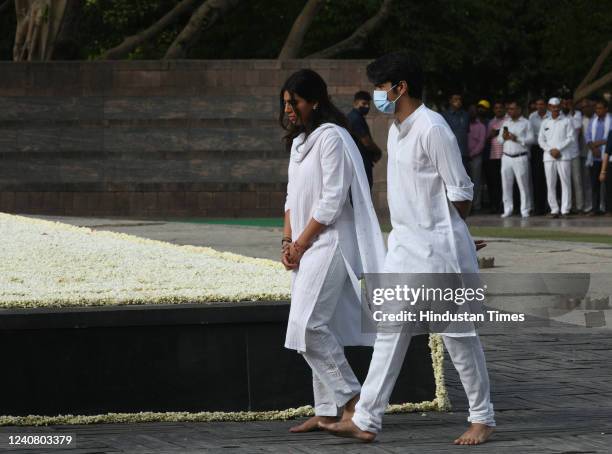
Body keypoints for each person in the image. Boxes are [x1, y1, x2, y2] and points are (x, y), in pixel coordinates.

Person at [319, 51, 495, 446]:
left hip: (437, 254)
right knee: (390, 330)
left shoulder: (432, 128)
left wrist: (451, 232)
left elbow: (461, 192)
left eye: (382, 87)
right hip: (403, 248)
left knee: (458, 336)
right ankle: (366, 418)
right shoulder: (397, 129)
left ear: (400, 88)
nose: (378, 94)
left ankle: (482, 418)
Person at [279, 69, 386, 433]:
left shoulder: (332, 138)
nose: (289, 110)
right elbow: (292, 197)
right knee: (319, 325)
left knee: (307, 326)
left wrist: (301, 242)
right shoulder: (299, 143)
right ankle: (326, 410)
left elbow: (332, 199)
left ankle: (354, 401)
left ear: (315, 101)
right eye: (286, 104)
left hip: (331, 242)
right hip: (304, 244)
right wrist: (287, 241)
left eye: (294, 103)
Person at [539, 98, 575, 218]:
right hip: (548, 157)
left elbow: (571, 138)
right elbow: (541, 140)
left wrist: (558, 149)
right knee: (550, 183)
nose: (555, 108)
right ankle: (554, 209)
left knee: (565, 183)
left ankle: (565, 210)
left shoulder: (567, 121)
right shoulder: (545, 122)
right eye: (553, 106)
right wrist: (550, 150)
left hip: (563, 156)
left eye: (557, 106)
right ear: (549, 107)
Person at [498, 101, 534, 218]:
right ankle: (507, 209)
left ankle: (525, 209)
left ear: (519, 110)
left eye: (512, 109)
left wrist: (517, 138)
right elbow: (499, 140)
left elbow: (532, 139)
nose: (510, 111)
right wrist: (503, 137)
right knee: (506, 185)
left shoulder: (526, 123)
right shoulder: (505, 123)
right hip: (506, 157)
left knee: (523, 185)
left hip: (520, 156)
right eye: (509, 109)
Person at [347, 91, 383, 189]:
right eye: (363, 103)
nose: (367, 107)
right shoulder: (356, 118)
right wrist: (378, 152)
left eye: (368, 104)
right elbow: (366, 142)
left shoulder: (353, 117)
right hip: (361, 162)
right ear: (355, 103)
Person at [585, 99, 611, 215]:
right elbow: (587, 137)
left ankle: (609, 209)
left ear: (606, 109)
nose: (598, 111)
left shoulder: (611, 120)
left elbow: (611, 138)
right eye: (597, 108)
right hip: (594, 156)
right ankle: (595, 208)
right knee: (594, 184)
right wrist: (593, 148)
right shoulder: (592, 120)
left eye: (600, 108)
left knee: (609, 184)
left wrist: (599, 143)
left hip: (608, 157)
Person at [561, 95, 584, 213]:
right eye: (564, 104)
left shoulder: (577, 115)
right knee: (565, 181)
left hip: (574, 153)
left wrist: (570, 112)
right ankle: (567, 207)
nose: (566, 106)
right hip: (562, 154)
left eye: (569, 103)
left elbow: (576, 126)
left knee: (577, 180)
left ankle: (579, 207)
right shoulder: (559, 116)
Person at [528, 98, 550, 215]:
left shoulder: (551, 115)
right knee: (537, 179)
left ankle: (550, 206)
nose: (539, 106)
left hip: (549, 148)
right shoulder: (532, 117)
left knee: (550, 179)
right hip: (536, 149)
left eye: (542, 104)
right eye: (537, 104)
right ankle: (539, 207)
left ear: (546, 105)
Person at [484, 101, 507, 213]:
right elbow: (487, 138)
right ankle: (495, 205)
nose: (498, 110)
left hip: (505, 156)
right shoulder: (491, 122)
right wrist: (491, 134)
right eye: (496, 108)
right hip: (493, 156)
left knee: (505, 183)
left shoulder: (508, 121)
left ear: (504, 109)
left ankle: (505, 206)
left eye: (500, 108)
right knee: (494, 183)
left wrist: (498, 132)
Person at [442, 92, 470, 174]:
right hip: (450, 153)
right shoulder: (444, 115)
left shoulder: (466, 115)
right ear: (450, 101)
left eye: (460, 99)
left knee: (464, 177)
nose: (458, 101)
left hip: (463, 153)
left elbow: (466, 132)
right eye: (455, 99)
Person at [468, 104, 487, 211]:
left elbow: (481, 143)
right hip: (464, 158)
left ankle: (476, 205)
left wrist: (472, 153)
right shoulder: (465, 124)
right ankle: (467, 206)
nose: (472, 113)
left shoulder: (481, 126)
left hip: (476, 157)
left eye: (474, 111)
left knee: (476, 182)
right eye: (470, 111)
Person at [579, 99, 594, 213]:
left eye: (587, 106)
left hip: (598, 154)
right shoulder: (580, 121)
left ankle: (601, 205)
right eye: (583, 108)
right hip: (584, 154)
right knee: (586, 182)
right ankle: (588, 206)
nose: (585, 109)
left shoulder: (597, 118)